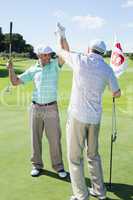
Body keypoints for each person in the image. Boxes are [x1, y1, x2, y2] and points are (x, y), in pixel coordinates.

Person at [55, 23, 121, 200]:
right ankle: (99, 192)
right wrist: (113, 80)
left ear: (89, 48)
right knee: (93, 155)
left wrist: (61, 35)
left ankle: (81, 195)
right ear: (103, 52)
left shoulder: (80, 60)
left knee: (75, 158)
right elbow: (117, 93)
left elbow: (61, 51)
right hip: (95, 119)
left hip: (77, 117)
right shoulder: (107, 68)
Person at [6, 46, 67, 178]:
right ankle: (37, 165)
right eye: (44, 55)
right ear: (39, 55)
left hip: (51, 107)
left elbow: (65, 53)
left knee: (55, 139)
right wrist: (11, 69)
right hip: (36, 108)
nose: (47, 57)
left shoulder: (55, 65)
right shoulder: (33, 70)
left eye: (49, 55)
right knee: (35, 138)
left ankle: (58, 166)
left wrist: (62, 37)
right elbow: (15, 82)